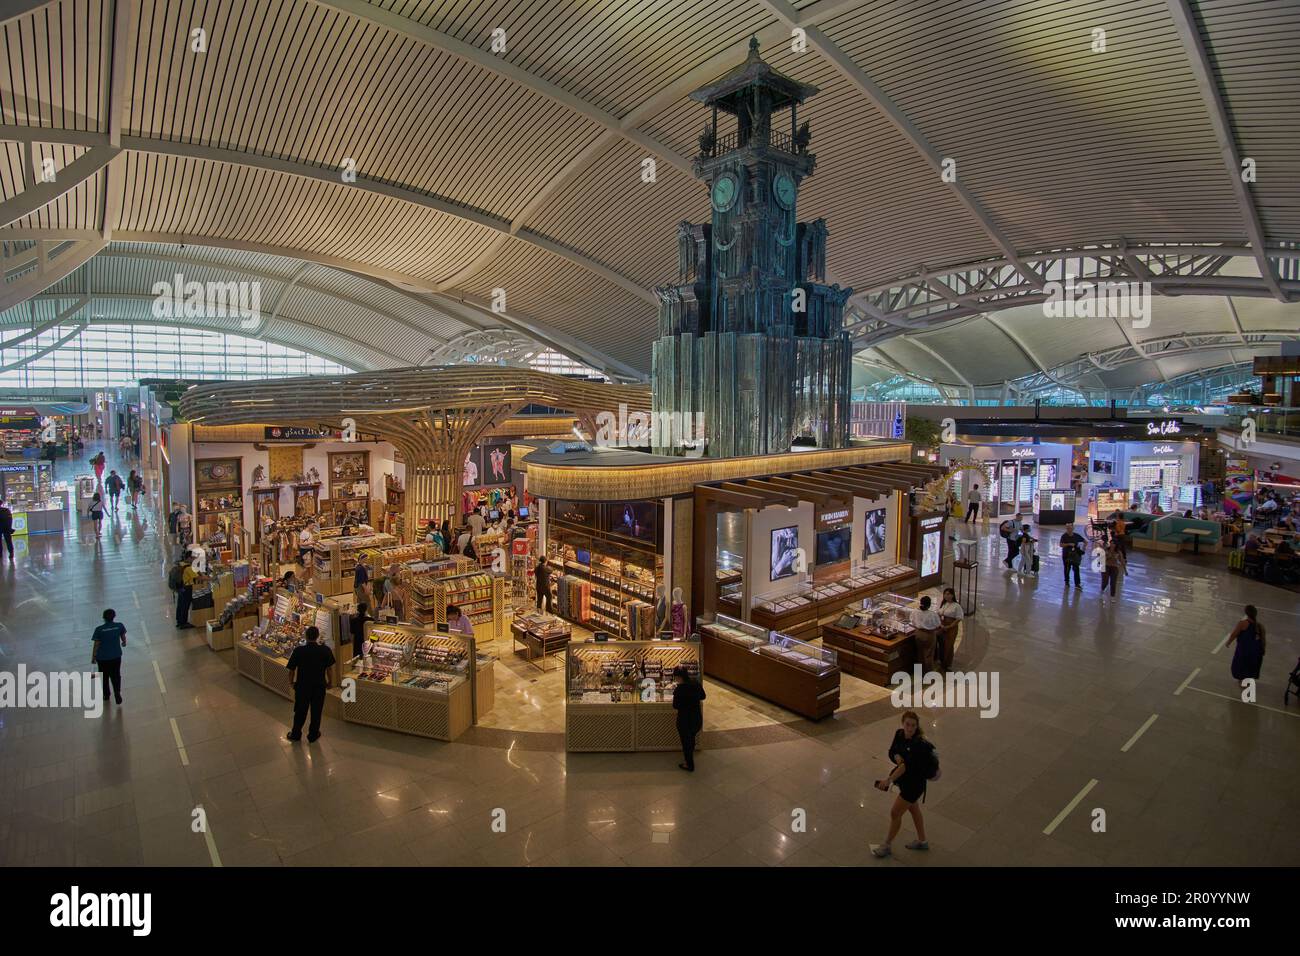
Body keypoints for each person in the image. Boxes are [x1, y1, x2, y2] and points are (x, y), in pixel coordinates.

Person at [870, 711, 935, 858]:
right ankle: (922, 841)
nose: (910, 728)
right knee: (913, 809)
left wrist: (888, 780)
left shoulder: (917, 744)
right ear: (902, 723)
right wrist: (897, 757)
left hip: (914, 785)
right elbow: (892, 751)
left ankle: (886, 845)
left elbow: (905, 767)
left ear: (917, 726)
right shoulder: (899, 734)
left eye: (913, 725)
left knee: (895, 813)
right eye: (907, 724)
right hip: (906, 781)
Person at [286, 626, 335, 743]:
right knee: (316, 711)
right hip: (319, 685)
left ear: (306, 636)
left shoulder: (299, 651)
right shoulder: (325, 650)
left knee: (300, 711)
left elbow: (291, 670)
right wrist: (330, 682)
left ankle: (296, 733)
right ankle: (313, 734)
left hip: (302, 686)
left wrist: (291, 683)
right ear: (317, 636)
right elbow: (329, 669)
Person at [671, 665, 706, 772]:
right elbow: (703, 696)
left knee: (686, 742)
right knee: (691, 738)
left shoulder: (679, 689)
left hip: (684, 720)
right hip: (696, 718)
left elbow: (675, 705)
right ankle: (691, 752)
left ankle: (689, 765)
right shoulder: (696, 683)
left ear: (678, 677)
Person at [91, 608, 127, 705]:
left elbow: (96, 644)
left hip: (102, 658)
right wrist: (124, 642)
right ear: (114, 616)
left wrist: (93, 657)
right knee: (116, 675)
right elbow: (123, 637)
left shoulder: (99, 629)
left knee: (105, 676)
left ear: (104, 618)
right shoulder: (119, 626)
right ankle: (117, 692)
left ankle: (106, 695)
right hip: (116, 655)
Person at [1226, 605, 1266, 682]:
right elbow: (1263, 640)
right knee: (1251, 666)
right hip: (1256, 651)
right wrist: (1263, 649)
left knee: (1241, 665)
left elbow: (1234, 634)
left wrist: (1228, 642)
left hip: (1244, 650)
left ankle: (1242, 680)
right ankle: (1247, 680)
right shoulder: (1260, 626)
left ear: (1246, 613)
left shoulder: (1243, 623)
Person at [909, 595, 942, 672]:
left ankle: (919, 672)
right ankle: (928, 674)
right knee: (929, 655)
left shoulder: (915, 611)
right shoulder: (932, 614)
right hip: (929, 635)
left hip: (918, 634)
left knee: (920, 654)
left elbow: (911, 621)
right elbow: (938, 624)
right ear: (929, 605)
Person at [937, 587, 963, 669]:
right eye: (945, 594)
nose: (946, 596)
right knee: (942, 644)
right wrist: (941, 624)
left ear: (952, 595)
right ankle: (941, 660)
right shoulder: (944, 604)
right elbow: (939, 613)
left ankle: (947, 663)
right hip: (943, 626)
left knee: (949, 645)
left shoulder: (956, 606)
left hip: (951, 627)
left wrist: (949, 626)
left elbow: (959, 618)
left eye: (948, 594)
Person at [1059, 523, 1085, 589]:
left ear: (1073, 528)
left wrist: (1082, 549)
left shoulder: (1077, 536)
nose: (1069, 530)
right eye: (1067, 528)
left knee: (1076, 569)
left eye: (1070, 528)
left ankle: (1077, 584)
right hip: (1066, 555)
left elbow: (1085, 542)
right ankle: (1067, 581)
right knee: (1067, 568)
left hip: (1075, 555)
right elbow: (1061, 544)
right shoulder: (1064, 536)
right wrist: (1068, 544)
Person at [173, 558, 198, 628]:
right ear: (189, 558)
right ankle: (184, 623)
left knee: (180, 604)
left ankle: (179, 621)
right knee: (185, 605)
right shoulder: (188, 568)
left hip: (180, 587)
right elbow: (198, 577)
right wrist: (210, 578)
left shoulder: (181, 564)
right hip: (187, 588)